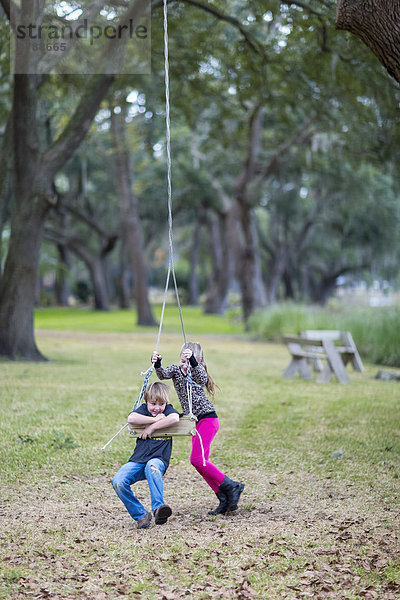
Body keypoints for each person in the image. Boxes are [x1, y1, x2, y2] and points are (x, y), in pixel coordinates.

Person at [152, 342, 244, 515]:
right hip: (197, 422)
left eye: (188, 361)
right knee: (202, 464)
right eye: (182, 360)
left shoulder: (197, 372)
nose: (184, 364)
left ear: (198, 360)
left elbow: (202, 378)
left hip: (208, 419)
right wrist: (157, 362)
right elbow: (162, 374)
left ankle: (233, 486)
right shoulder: (176, 370)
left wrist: (193, 362)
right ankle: (223, 498)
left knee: (197, 460)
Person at [111, 381, 179, 529]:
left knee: (152, 466)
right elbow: (131, 419)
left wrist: (152, 428)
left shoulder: (168, 411)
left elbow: (174, 418)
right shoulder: (143, 410)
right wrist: (154, 420)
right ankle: (141, 515)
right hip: (138, 460)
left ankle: (158, 509)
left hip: (158, 460)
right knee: (118, 481)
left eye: (161, 404)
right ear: (147, 402)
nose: (157, 408)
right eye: (153, 403)